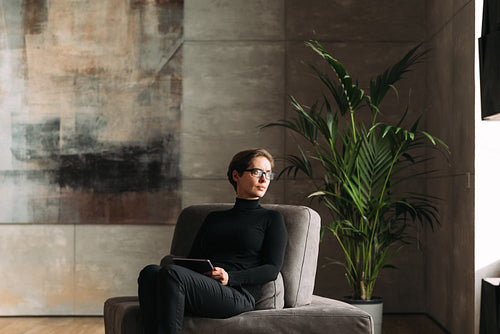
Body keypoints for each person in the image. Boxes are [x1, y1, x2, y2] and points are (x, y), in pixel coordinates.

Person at [137, 148, 288, 334]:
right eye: (257, 172)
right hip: (205, 287)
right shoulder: (214, 218)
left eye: (268, 174)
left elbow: (272, 269)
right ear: (236, 175)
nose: (264, 179)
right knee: (150, 272)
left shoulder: (272, 218)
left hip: (238, 294)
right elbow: (193, 259)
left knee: (171, 274)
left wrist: (230, 277)